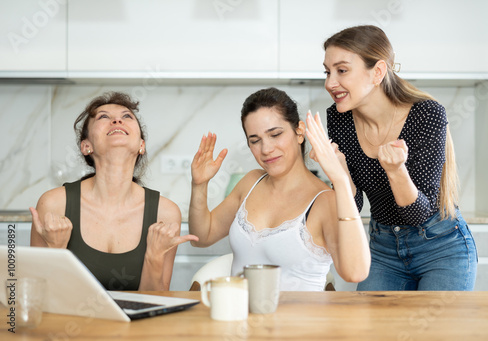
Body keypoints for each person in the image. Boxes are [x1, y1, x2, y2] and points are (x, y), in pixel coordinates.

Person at [320, 25, 477, 291]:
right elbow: (353, 206)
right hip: (382, 249)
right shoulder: (340, 117)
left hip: (440, 247)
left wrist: (396, 171)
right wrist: (341, 173)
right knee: (371, 333)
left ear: (378, 72)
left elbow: (419, 213)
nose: (330, 83)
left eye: (342, 70)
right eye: (327, 71)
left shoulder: (426, 115)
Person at [188, 87, 370, 291]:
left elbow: (356, 272)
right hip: (241, 319)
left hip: (299, 322)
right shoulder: (251, 182)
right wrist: (199, 184)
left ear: (299, 132)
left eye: (275, 134)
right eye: (255, 140)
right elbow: (201, 237)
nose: (266, 149)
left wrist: (341, 179)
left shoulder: (324, 201)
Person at [30, 91, 198, 291]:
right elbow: (37, 296)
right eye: (103, 117)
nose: (117, 120)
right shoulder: (54, 205)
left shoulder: (165, 213)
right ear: (86, 146)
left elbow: (156, 303)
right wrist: (56, 251)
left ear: (141, 145)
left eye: (127, 116)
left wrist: (154, 255)